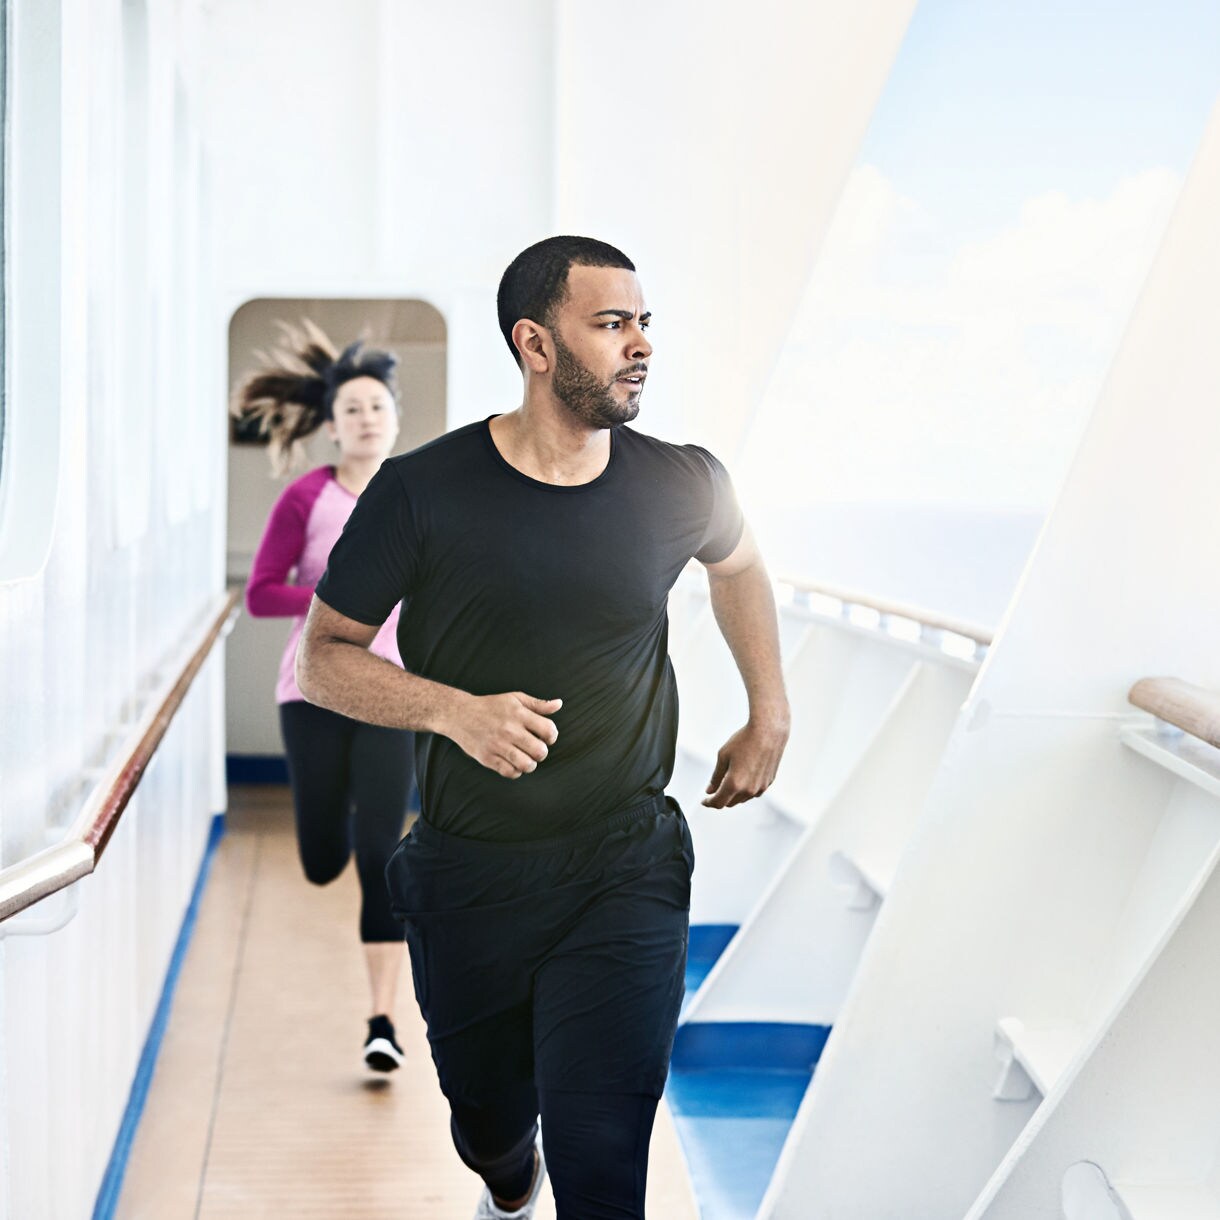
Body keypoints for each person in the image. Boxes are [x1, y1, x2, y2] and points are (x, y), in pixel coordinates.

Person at [296, 238, 790, 1219]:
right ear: (534, 342)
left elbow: (735, 563)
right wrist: (451, 710)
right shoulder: (423, 490)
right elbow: (324, 657)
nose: (639, 343)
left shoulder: (679, 480)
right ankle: (504, 1184)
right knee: (490, 1126)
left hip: (625, 859)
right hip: (470, 866)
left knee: (602, 1149)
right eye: (610, 324)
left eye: (644, 322)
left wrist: (766, 705)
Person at [234, 322, 416, 1074]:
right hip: (310, 690)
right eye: (351, 409)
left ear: (395, 415)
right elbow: (260, 595)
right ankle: (327, 831)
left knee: (382, 854)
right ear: (331, 424)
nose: (365, 418)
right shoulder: (307, 497)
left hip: (393, 694)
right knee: (320, 859)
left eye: (376, 405)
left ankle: (383, 1023)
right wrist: (339, 598)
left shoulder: (417, 493)